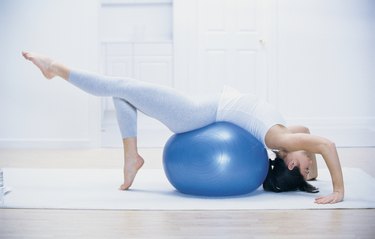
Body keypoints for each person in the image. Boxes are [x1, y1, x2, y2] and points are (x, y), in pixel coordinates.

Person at [22, 51, 344, 204]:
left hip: (192, 116)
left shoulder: (281, 137)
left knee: (120, 85)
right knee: (123, 90)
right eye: (311, 163)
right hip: (201, 108)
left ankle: (57, 70)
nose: (312, 161)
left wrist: (339, 191)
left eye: (306, 168)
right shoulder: (286, 135)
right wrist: (306, 172)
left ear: (290, 163)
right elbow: (310, 138)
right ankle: (131, 157)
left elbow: (326, 145)